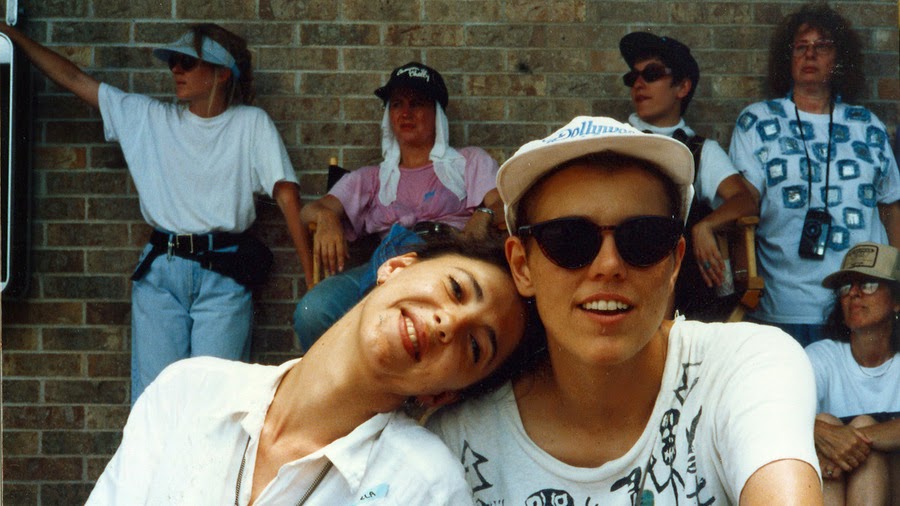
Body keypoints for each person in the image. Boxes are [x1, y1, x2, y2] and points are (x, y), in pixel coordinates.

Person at [427, 116, 822, 505]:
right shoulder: (459, 435)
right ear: (521, 266)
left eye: (644, 238)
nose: (609, 265)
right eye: (569, 239)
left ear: (674, 261)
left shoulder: (743, 366)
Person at [86, 235, 538, 505]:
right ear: (396, 267)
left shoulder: (422, 487)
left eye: (475, 346)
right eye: (456, 289)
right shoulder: (187, 392)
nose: (449, 323)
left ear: (445, 395)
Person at [0, 23, 315, 403]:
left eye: (187, 62)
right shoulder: (149, 119)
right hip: (161, 276)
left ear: (221, 72)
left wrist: (313, 284)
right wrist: (10, 35)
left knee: (216, 404)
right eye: (174, 62)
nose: (175, 70)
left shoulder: (251, 124)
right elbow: (73, 77)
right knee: (155, 403)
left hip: (224, 277)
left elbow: (287, 200)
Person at [294, 61, 503, 351]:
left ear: (437, 114)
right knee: (314, 311)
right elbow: (309, 211)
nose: (405, 113)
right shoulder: (373, 177)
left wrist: (484, 212)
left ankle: (375, 325)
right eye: (396, 105)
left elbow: (503, 202)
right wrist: (328, 217)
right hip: (382, 266)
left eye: (416, 104)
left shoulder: (469, 162)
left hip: (444, 259)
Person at [729, 3, 900, 346]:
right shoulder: (758, 122)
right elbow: (743, 204)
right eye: (800, 46)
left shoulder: (867, 126)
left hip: (862, 305)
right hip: (785, 306)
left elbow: (891, 208)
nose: (810, 54)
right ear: (787, 57)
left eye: (822, 46)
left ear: (839, 59)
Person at [619, 32, 759, 321]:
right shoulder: (615, 138)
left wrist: (705, 227)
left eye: (652, 74)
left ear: (682, 87)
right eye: (633, 77)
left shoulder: (700, 150)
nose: (639, 84)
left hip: (683, 294)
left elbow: (746, 199)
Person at [807, 241, 900, 505]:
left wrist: (849, 441)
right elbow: (780, 414)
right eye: (846, 287)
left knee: (859, 427)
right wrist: (826, 435)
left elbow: (854, 438)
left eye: (868, 285)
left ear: (897, 301)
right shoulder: (821, 357)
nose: (854, 294)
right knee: (823, 422)